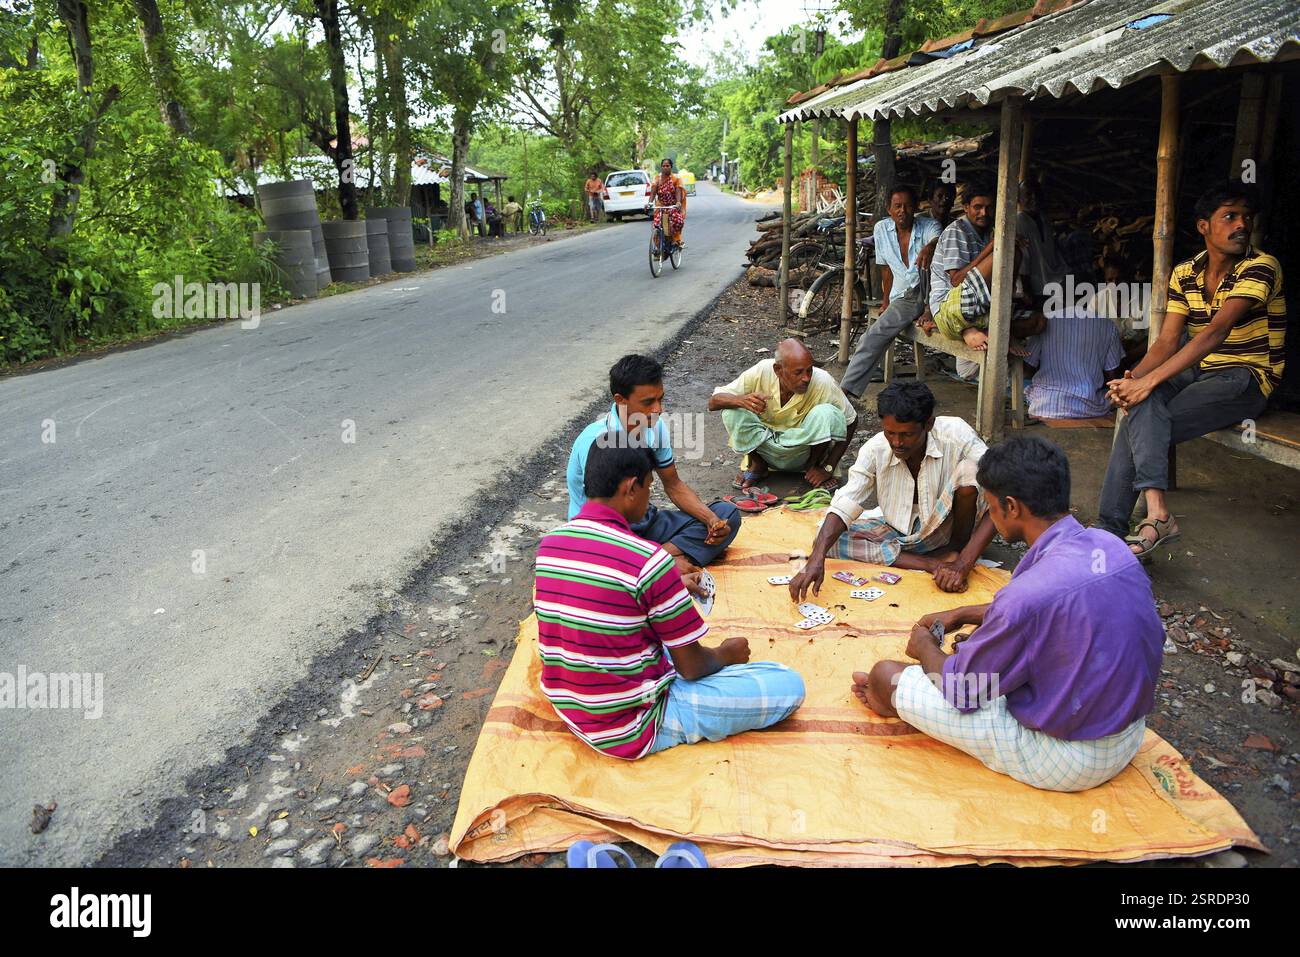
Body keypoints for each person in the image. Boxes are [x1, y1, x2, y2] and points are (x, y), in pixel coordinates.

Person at [851, 436, 1162, 792]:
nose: (989, 512)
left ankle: (887, 698)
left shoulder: (1024, 599)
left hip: (1072, 759)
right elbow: (1059, 608)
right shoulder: (1110, 547)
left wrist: (924, 647)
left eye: (991, 505)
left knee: (885, 675)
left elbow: (962, 691)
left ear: (1011, 507)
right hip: (1128, 733)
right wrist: (967, 612)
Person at [537, 442, 805, 760]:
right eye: (650, 487)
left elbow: (603, 601)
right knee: (787, 684)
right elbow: (691, 668)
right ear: (631, 488)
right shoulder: (649, 561)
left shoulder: (551, 544)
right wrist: (725, 654)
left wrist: (671, 586)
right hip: (630, 727)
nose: (651, 498)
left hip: (570, 705)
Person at [1099, 182, 1287, 561]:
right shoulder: (1185, 272)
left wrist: (1147, 383)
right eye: (1229, 217)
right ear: (1204, 226)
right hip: (1198, 369)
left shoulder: (1261, 267)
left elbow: (1216, 332)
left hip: (1246, 376)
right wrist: (1131, 380)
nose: (1241, 225)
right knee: (1138, 404)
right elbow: (1168, 342)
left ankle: (1110, 529)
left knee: (1147, 414)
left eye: (1246, 218)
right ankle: (1154, 515)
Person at [789, 381, 994, 597]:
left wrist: (964, 564)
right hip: (902, 535)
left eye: (907, 435)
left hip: (949, 529)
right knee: (825, 540)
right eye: (890, 433)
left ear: (929, 424)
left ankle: (957, 552)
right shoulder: (876, 449)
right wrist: (816, 559)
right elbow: (846, 502)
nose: (897, 442)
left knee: (971, 471)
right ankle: (932, 563)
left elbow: (1004, 490)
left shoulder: (956, 433)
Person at [568, 354, 741, 573]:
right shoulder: (596, 442)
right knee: (599, 562)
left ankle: (652, 562)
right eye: (648, 402)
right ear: (621, 400)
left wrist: (711, 521)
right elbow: (600, 518)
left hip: (642, 521)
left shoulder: (653, 427)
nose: (658, 409)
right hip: (602, 534)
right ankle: (657, 563)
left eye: (660, 399)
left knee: (727, 514)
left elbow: (674, 484)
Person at [709, 338, 858, 491]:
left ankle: (813, 468)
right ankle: (758, 465)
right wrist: (742, 400)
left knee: (827, 413)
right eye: (798, 372)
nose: (806, 378)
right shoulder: (762, 371)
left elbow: (851, 420)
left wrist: (828, 467)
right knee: (732, 411)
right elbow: (713, 402)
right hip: (765, 449)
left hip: (805, 452)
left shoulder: (823, 381)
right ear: (778, 370)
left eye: (809, 370)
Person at [840, 184, 941, 400]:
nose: (902, 211)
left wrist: (930, 247)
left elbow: (938, 239)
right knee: (876, 335)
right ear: (889, 209)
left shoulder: (929, 225)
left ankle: (844, 391)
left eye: (907, 206)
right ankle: (847, 389)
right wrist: (886, 301)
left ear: (915, 208)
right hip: (903, 296)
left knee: (873, 335)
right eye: (897, 206)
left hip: (928, 292)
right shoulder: (881, 229)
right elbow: (886, 270)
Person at [928, 178, 997, 378]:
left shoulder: (986, 231)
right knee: (1002, 252)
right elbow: (956, 280)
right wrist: (991, 248)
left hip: (976, 303)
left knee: (1035, 322)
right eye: (978, 207)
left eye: (989, 207)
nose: (984, 213)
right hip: (949, 306)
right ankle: (971, 332)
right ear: (966, 207)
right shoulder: (956, 231)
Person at [1023, 305, 1125, 420]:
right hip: (1089, 409)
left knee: (1022, 386)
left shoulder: (1045, 321)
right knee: (1110, 395)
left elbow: (1027, 368)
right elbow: (1112, 377)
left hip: (1046, 406)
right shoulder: (1108, 325)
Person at [649, 158, 686, 248]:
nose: (665, 167)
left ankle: (676, 240)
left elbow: (678, 191)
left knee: (678, 221)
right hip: (660, 206)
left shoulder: (676, 179)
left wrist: (678, 202)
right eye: (663, 166)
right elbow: (653, 193)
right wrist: (649, 203)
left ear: (671, 167)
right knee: (657, 225)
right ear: (661, 167)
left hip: (672, 206)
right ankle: (659, 249)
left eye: (667, 166)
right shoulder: (657, 179)